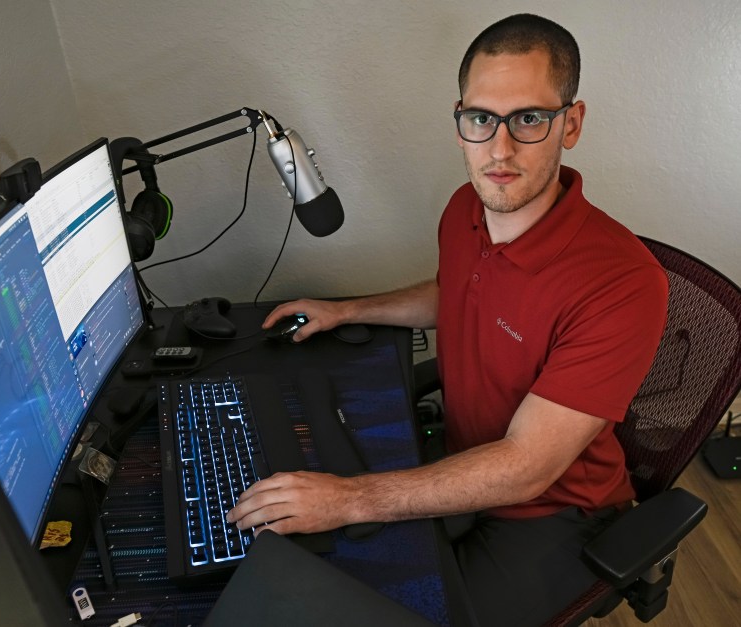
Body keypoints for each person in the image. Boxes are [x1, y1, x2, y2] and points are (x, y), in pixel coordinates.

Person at [226, 13, 668, 627]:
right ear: (460, 121)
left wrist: (350, 500)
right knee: (312, 575)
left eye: (530, 119)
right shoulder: (468, 206)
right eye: (482, 119)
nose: (500, 148)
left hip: (555, 511)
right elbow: (456, 291)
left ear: (572, 123)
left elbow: (526, 467)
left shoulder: (623, 283)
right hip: (461, 457)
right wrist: (348, 310)